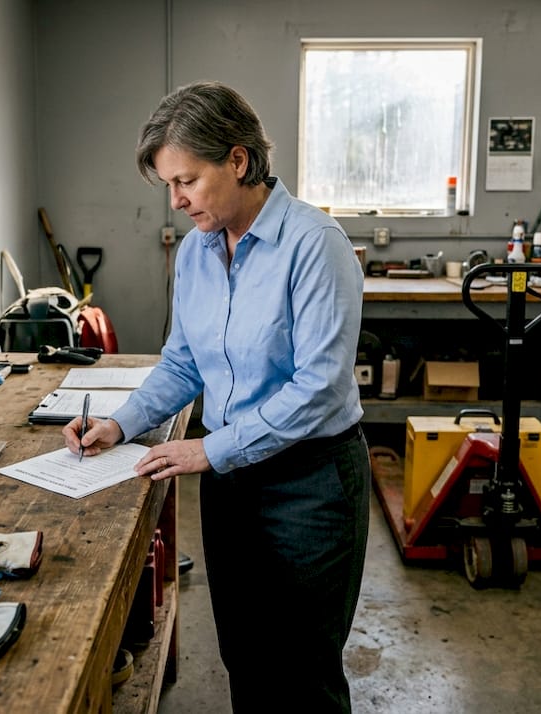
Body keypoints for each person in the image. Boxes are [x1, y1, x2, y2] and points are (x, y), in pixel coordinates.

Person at [62, 81, 370, 712]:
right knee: (246, 661)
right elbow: (183, 360)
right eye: (168, 185)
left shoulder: (315, 246)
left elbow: (319, 387)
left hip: (308, 486)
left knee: (303, 674)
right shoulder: (199, 253)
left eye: (187, 181)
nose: (176, 201)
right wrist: (121, 424)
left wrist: (207, 451)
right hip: (233, 482)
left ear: (238, 160)